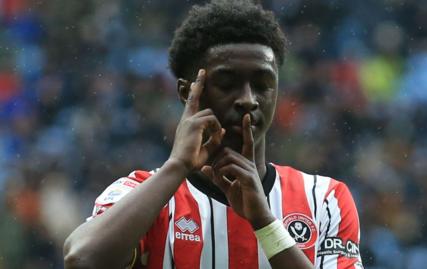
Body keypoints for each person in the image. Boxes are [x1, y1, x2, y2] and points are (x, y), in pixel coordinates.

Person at [63, 1, 363, 268]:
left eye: (261, 83)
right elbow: (82, 259)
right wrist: (177, 166)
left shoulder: (325, 198)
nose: (248, 99)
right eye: (227, 83)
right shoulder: (140, 194)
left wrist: (264, 223)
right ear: (187, 92)